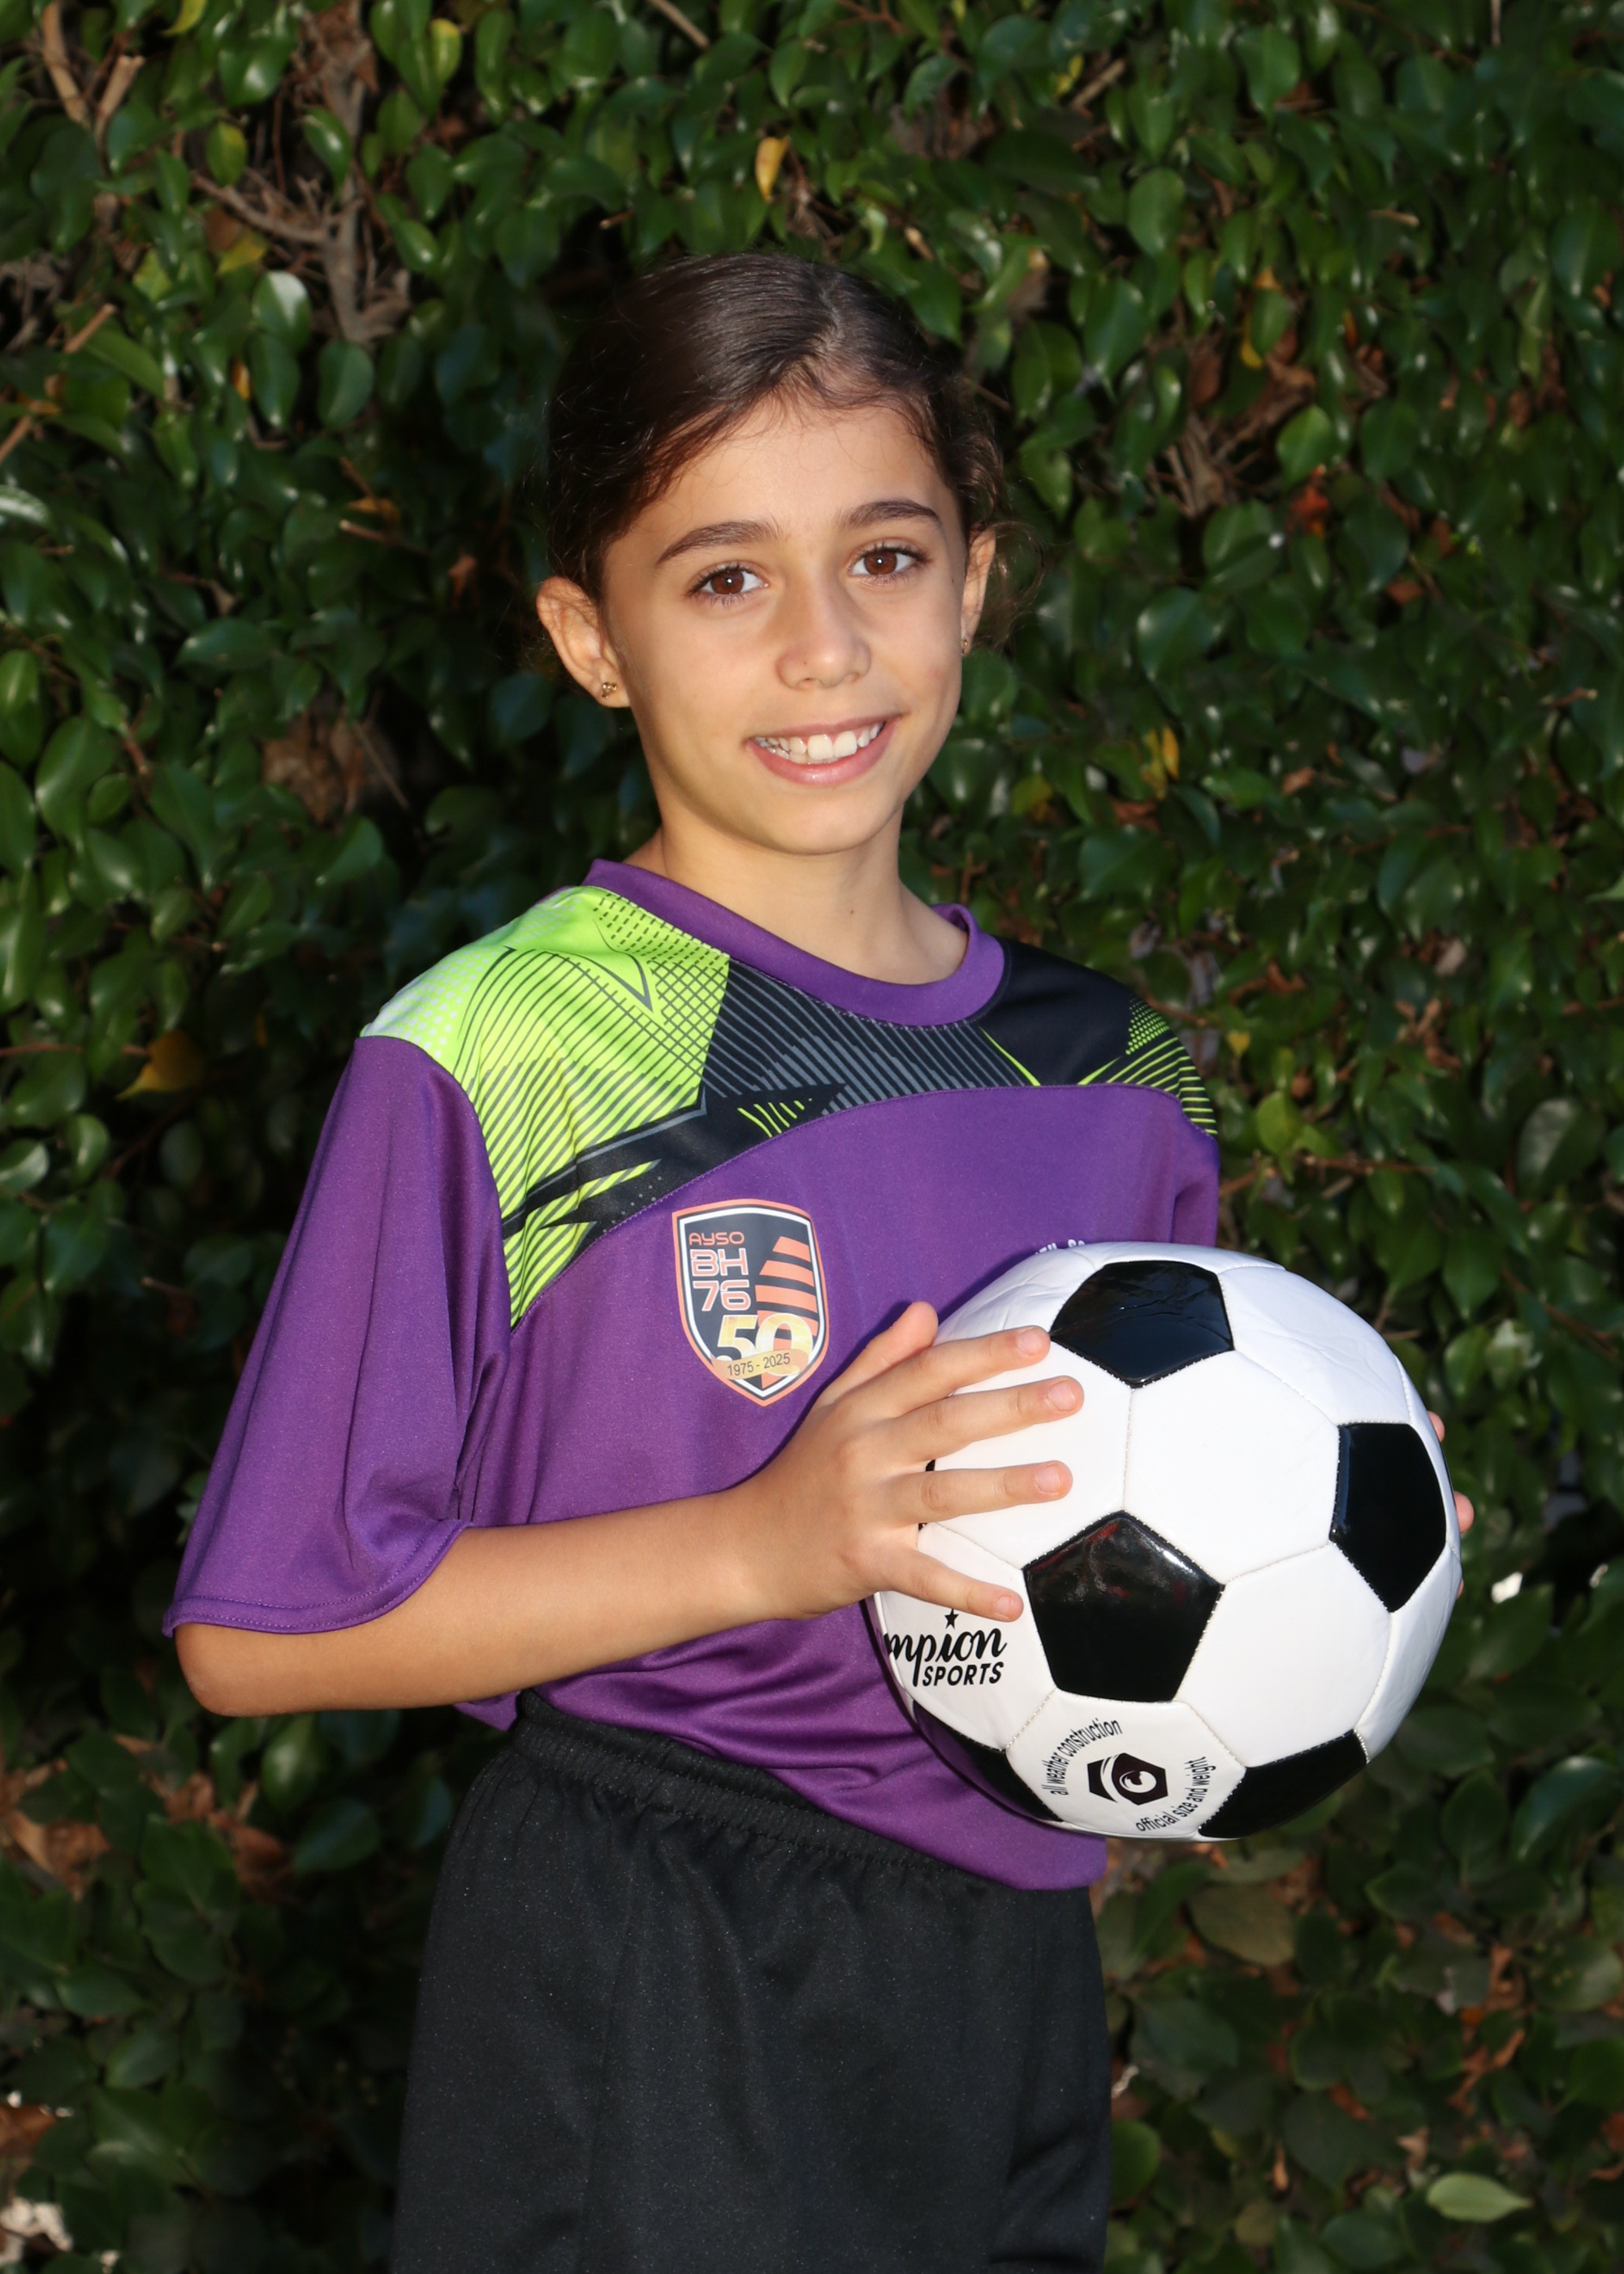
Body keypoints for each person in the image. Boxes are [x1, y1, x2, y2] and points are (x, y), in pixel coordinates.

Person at [168, 254, 1467, 2273]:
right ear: (589, 640)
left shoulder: (1114, 1071)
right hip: (651, 1944)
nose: (823, 645)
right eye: (724, 578)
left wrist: (1304, 1600)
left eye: (883, 554)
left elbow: (1129, 1552)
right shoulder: (500, 1049)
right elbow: (264, 1634)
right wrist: (764, 1544)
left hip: (1007, 1965)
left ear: (974, 583)